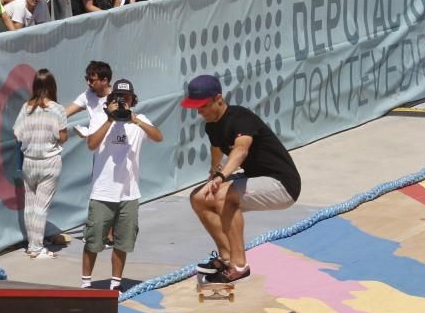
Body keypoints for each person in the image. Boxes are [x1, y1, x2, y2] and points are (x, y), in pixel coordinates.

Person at [181, 74, 301, 284]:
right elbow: (217, 147)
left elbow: (241, 150)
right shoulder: (211, 125)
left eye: (203, 106)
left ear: (219, 98)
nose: (199, 112)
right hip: (256, 178)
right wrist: (214, 170)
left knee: (224, 196)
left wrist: (222, 175)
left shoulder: (241, 118)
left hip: (282, 184)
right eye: (196, 107)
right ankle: (226, 257)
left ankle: (239, 266)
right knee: (198, 198)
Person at [80, 78, 163, 291]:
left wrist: (135, 120)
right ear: (111, 99)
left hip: (129, 193)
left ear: (132, 99)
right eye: (118, 97)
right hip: (102, 192)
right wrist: (110, 119)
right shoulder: (100, 118)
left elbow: (158, 137)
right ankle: (86, 283)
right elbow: (91, 144)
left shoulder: (139, 120)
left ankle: (115, 285)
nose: (122, 101)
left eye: (126, 98)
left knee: (123, 241)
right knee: (93, 240)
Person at [13, 68, 68, 259]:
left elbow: (16, 133)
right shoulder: (57, 109)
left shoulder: (26, 108)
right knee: (41, 206)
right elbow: (62, 137)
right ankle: (37, 249)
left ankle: (32, 244)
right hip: (49, 161)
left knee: (30, 205)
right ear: (52, 86)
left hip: (29, 161)